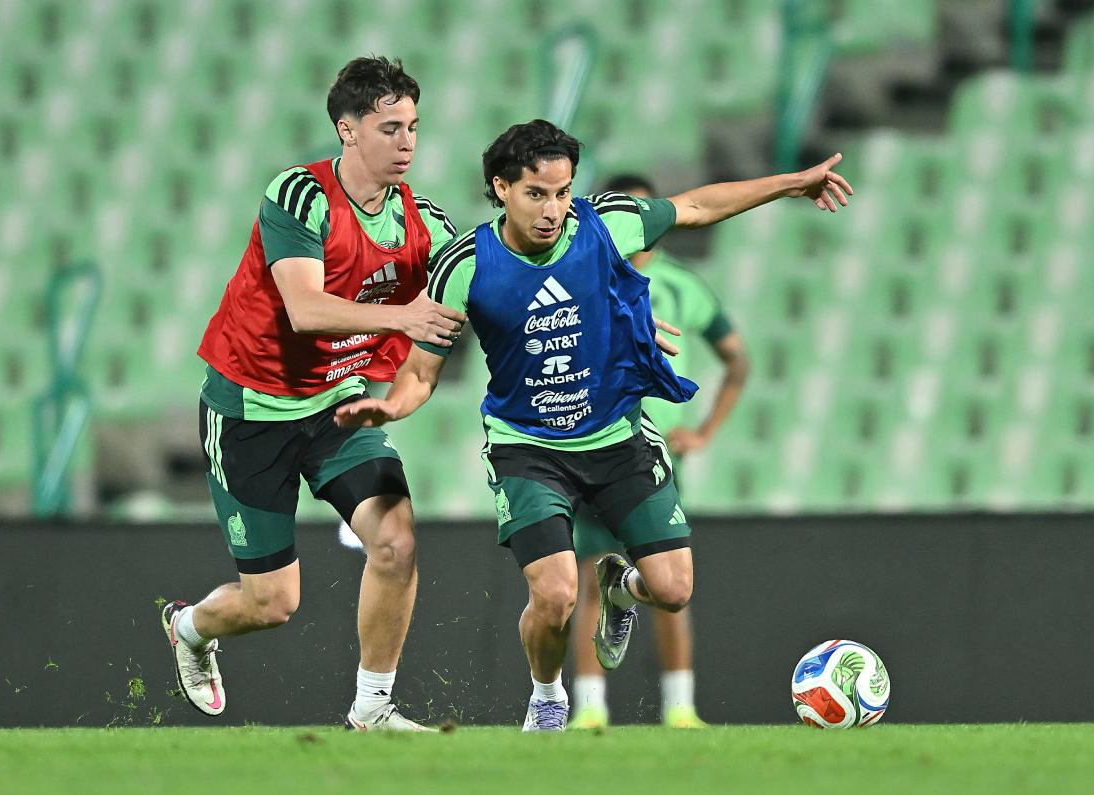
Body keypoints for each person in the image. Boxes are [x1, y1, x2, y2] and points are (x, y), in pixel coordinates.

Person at [334, 119, 852, 731]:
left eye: (562, 192)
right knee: (555, 595)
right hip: (528, 448)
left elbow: (696, 206)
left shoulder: (604, 222)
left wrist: (790, 183)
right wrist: (393, 407)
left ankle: (620, 588)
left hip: (618, 436)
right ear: (501, 188)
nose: (553, 210)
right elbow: (421, 372)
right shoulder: (465, 264)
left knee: (673, 589)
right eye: (536, 194)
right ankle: (548, 698)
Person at [160, 56, 466, 732]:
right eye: (390, 128)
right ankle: (189, 627)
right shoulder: (300, 194)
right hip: (250, 411)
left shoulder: (426, 225)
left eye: (414, 127)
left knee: (397, 542)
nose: (408, 143)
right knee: (272, 603)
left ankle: (372, 709)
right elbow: (305, 308)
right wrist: (403, 317)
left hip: (338, 409)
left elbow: (479, 289)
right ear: (347, 130)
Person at [567, 173, 749, 730]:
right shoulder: (581, 278)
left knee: (669, 580)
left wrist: (704, 432)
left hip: (656, 455)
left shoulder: (681, 286)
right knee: (590, 575)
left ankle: (680, 708)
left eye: (646, 214)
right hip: (594, 444)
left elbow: (737, 361)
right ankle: (589, 710)